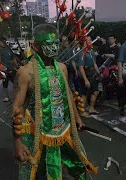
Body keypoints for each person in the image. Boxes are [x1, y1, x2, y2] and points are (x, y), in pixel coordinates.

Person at [12, 24, 97, 179]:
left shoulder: (62, 68)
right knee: (38, 172)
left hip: (63, 129)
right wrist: (17, 142)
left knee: (78, 163)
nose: (54, 48)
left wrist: (77, 118)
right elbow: (17, 108)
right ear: (35, 46)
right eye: (48, 45)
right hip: (37, 133)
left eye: (56, 44)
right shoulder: (25, 72)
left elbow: (68, 95)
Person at [78, 37, 101, 116]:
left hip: (92, 74)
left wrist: (98, 73)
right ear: (85, 41)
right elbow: (81, 67)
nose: (91, 41)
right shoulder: (82, 52)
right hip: (86, 74)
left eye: (91, 40)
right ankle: (82, 111)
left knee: (96, 92)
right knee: (85, 93)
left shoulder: (91, 51)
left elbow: (94, 63)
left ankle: (91, 108)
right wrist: (85, 80)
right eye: (89, 40)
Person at [0, 38, 17, 102]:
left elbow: (13, 58)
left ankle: (17, 96)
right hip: (3, 70)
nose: (3, 43)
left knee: (15, 82)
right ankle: (7, 97)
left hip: (11, 68)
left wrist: (16, 66)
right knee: (4, 84)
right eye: (2, 42)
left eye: (4, 42)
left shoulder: (9, 49)